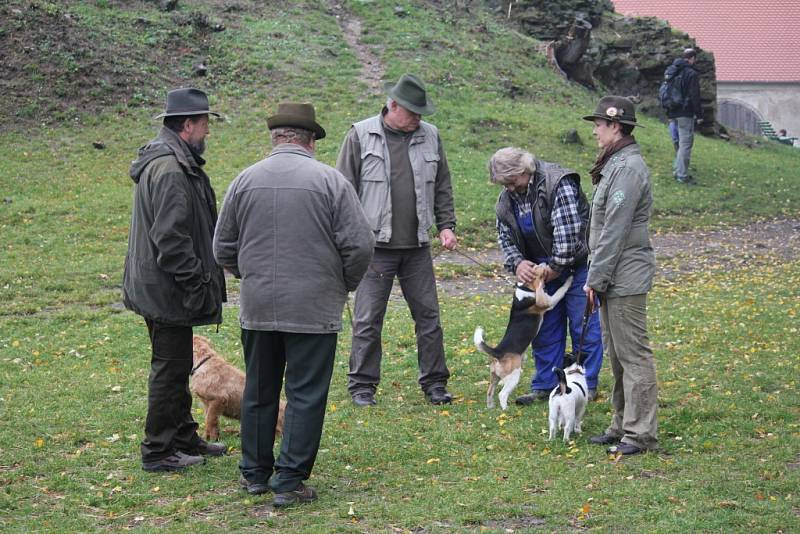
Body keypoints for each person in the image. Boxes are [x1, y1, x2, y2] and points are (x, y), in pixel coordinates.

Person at [213, 103, 374, 506]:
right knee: (304, 394)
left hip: (258, 306)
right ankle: (288, 480)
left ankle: (254, 473)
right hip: (314, 309)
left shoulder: (244, 180)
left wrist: (249, 277)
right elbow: (359, 245)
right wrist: (342, 283)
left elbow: (222, 246)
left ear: (276, 138)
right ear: (310, 140)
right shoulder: (331, 181)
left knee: (258, 389)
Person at [336, 74, 458, 407]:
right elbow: (343, 192)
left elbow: (443, 185)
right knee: (367, 319)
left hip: (417, 247)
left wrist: (446, 225)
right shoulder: (360, 135)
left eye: (422, 112)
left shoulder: (431, 136)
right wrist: (348, 240)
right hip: (374, 249)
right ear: (392, 105)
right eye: (413, 112)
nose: (419, 118)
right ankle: (362, 386)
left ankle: (435, 384)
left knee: (429, 317)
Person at [122, 87, 228, 472]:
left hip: (159, 286)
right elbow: (171, 240)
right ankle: (158, 450)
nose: (207, 133)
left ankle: (184, 437)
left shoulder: (172, 161)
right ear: (187, 125)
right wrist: (198, 282)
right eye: (204, 125)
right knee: (169, 371)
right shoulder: (169, 169)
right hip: (168, 290)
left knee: (177, 363)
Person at [487, 147, 603, 405]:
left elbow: (569, 233)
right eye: (504, 184)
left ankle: (586, 383)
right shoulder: (506, 201)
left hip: (575, 264)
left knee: (583, 326)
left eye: (511, 181)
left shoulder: (557, 183)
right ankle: (545, 385)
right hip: (541, 271)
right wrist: (517, 264)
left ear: (524, 171)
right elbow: (505, 237)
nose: (509, 188)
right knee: (544, 330)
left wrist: (555, 266)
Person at [581, 96, 658, 456]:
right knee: (616, 354)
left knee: (633, 354)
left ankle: (640, 433)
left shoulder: (628, 168)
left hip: (624, 273)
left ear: (615, 126)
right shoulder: (615, 163)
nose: (595, 129)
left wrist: (595, 277)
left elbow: (615, 229)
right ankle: (622, 423)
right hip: (614, 271)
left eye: (599, 123)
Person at [664, 48, 702, 184]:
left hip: (672, 112)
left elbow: (666, 92)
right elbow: (694, 96)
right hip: (685, 113)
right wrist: (699, 114)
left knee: (678, 143)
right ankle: (682, 175)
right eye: (694, 59)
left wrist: (668, 112)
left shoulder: (672, 71)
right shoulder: (691, 73)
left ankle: (677, 170)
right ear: (691, 58)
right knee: (685, 144)